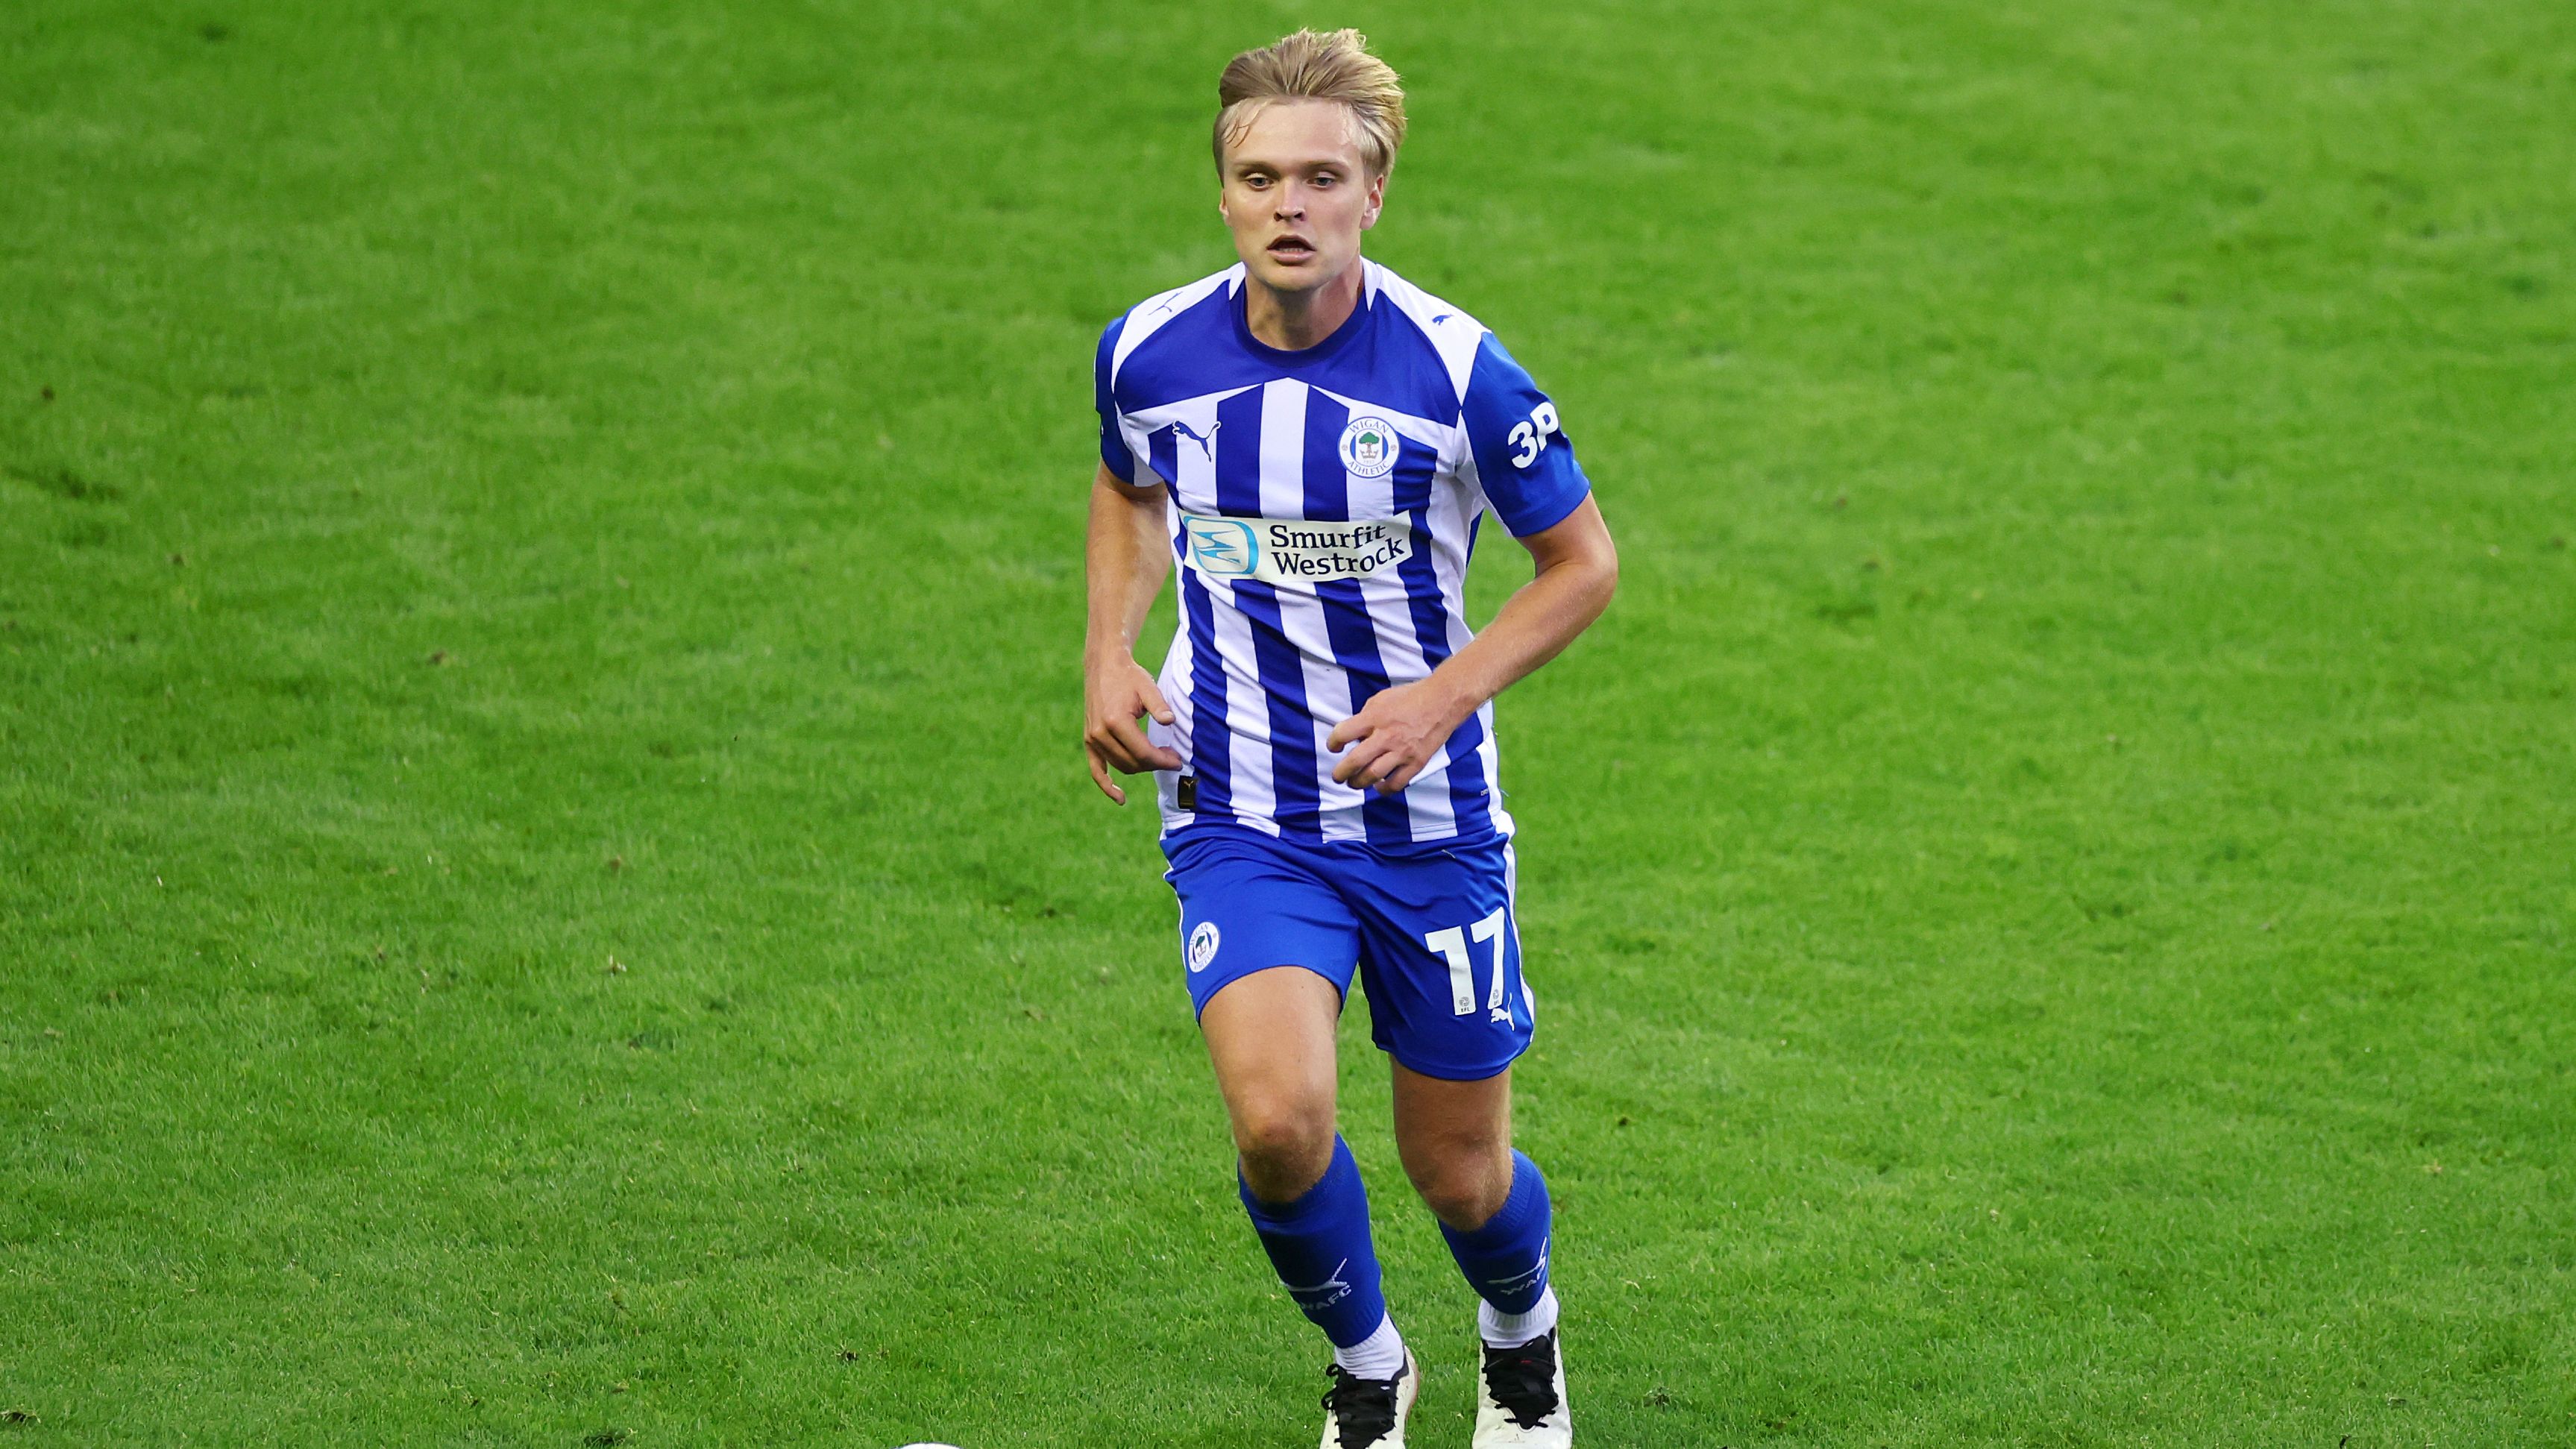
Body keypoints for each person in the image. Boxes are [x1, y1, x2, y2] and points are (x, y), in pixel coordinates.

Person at [1080, 28, 1617, 1449]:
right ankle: (1371, 1368)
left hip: (1427, 829)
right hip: (1239, 806)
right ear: (1223, 195)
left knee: (1459, 1174)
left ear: (1374, 192)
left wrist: (1443, 696)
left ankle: (1520, 1337)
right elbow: (1131, 490)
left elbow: (1582, 565)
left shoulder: (1457, 375)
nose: (1289, 206)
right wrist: (1104, 654)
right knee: (1276, 1122)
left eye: (1321, 178)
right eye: (1259, 179)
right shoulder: (1147, 351)